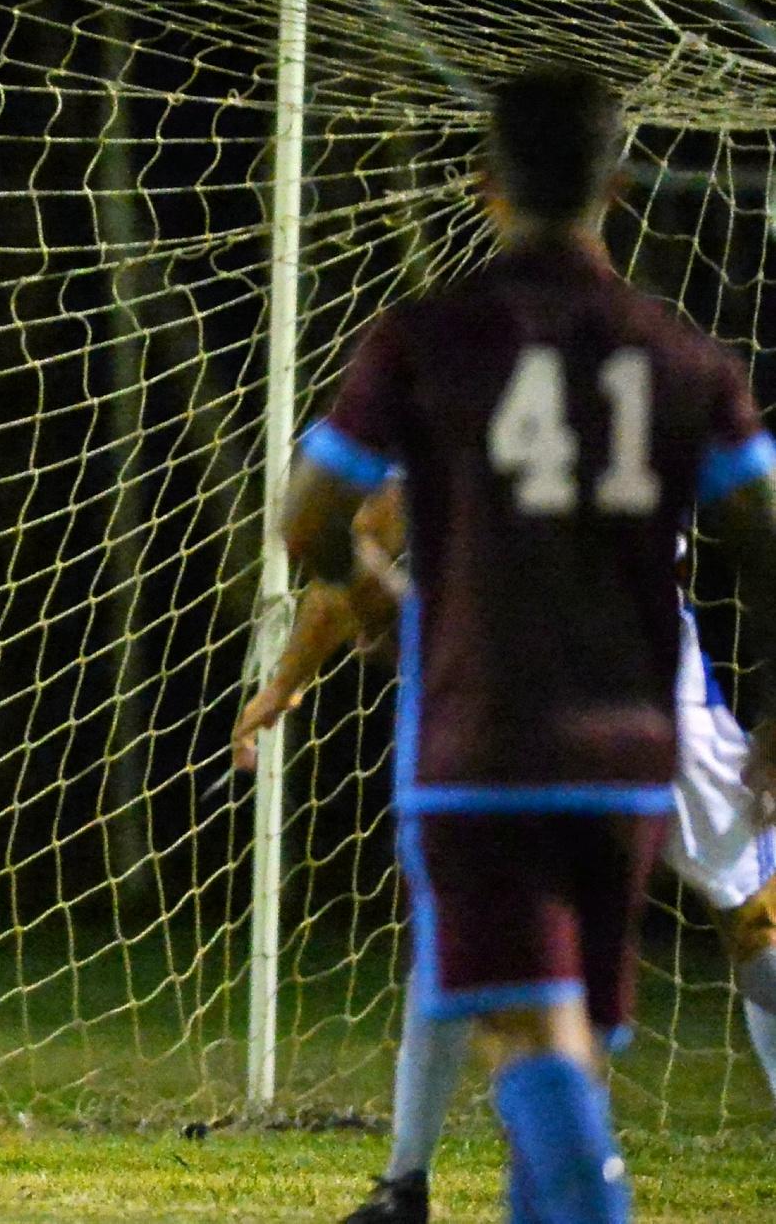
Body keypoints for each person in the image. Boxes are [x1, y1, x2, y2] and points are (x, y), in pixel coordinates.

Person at [283, 65, 776, 1224]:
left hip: (482, 737)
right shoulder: (681, 353)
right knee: (571, 1036)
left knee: (535, 1037)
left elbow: (308, 515)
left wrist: (380, 595)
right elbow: (769, 535)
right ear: (614, 184)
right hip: (627, 751)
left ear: (483, 184)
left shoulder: (423, 341)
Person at [237, 488, 776, 1224]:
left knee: (466, 928)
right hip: (633, 683)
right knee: (749, 921)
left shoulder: (461, 390)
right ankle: (411, 1182)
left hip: (525, 692)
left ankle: (407, 1182)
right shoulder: (645, 381)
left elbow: (343, 538)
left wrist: (285, 680)